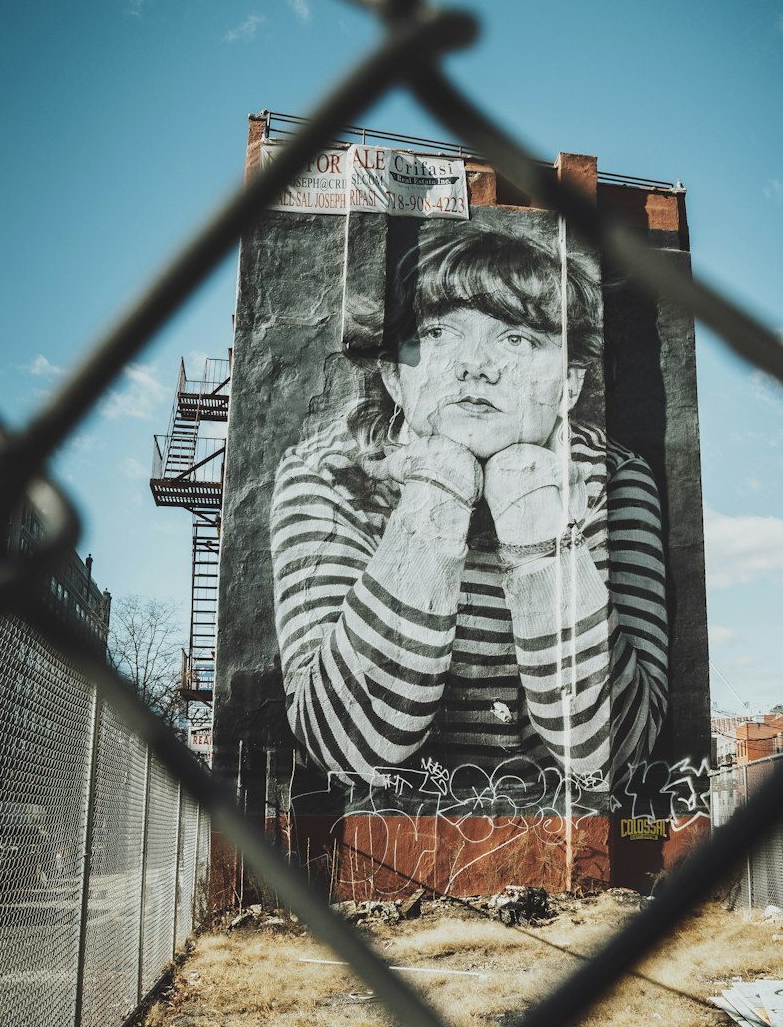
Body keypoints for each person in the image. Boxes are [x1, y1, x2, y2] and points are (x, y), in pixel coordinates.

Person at [270, 222, 669, 802]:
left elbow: (611, 751)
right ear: (393, 378)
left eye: (516, 339)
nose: (474, 366)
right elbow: (346, 747)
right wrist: (436, 496)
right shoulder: (329, 473)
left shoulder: (615, 478)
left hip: (564, 834)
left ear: (569, 385)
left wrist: (536, 524)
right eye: (438, 334)